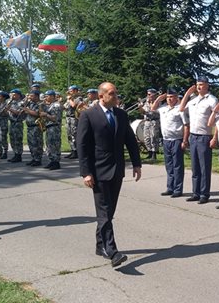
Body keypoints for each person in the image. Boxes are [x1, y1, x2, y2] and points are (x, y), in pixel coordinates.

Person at [77, 82, 142, 268]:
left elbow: (130, 140)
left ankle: (100, 245)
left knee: (109, 211)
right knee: (104, 211)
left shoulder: (121, 114)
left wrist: (136, 164)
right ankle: (112, 251)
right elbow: (82, 146)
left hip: (117, 170)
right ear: (101, 96)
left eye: (116, 93)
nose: (116, 97)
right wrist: (86, 172)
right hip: (98, 171)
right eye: (112, 94)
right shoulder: (88, 115)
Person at [180, 76, 218, 204]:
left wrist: (214, 137)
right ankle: (195, 193)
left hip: (204, 136)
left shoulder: (212, 100)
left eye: (201, 84)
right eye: (197, 84)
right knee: (195, 167)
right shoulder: (193, 100)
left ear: (207, 85)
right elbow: (181, 109)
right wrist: (187, 94)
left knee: (204, 167)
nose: (199, 87)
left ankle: (204, 194)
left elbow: (217, 120)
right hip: (193, 136)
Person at [152, 88, 189, 198]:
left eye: (171, 97)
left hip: (177, 140)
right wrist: (159, 98)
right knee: (169, 165)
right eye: (168, 97)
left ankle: (178, 189)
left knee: (177, 165)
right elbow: (153, 109)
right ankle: (170, 187)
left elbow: (186, 125)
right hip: (166, 140)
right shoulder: (163, 108)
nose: (169, 99)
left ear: (176, 97)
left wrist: (185, 140)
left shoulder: (180, 109)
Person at [41, 90, 62, 170]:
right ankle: (52, 161)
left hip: (54, 127)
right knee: (49, 145)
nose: (45, 97)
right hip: (49, 127)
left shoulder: (56, 105)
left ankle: (56, 162)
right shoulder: (50, 105)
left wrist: (45, 114)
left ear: (52, 96)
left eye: (47, 96)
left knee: (54, 145)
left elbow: (55, 118)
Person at [138, 88, 161, 161]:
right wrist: (140, 107)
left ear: (154, 95)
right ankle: (149, 152)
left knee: (153, 137)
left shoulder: (157, 102)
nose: (147, 96)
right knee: (146, 137)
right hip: (147, 121)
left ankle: (154, 154)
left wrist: (151, 106)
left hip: (154, 121)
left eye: (149, 94)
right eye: (147, 94)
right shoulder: (146, 103)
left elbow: (156, 111)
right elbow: (143, 112)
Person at [23, 90, 44, 166]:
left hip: (36, 127)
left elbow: (37, 114)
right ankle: (34, 158)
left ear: (36, 96)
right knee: (31, 143)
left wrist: (27, 110)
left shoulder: (40, 104)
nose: (29, 97)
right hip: (30, 127)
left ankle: (38, 159)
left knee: (37, 143)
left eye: (31, 96)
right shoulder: (30, 103)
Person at [64, 85, 84, 159]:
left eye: (71, 91)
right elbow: (65, 107)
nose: (69, 92)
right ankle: (72, 150)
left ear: (75, 91)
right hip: (68, 118)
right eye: (69, 91)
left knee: (74, 135)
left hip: (74, 118)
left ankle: (77, 151)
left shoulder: (78, 98)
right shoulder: (70, 99)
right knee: (69, 135)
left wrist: (69, 99)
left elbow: (73, 105)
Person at [6, 89, 26, 162]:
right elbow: (6, 111)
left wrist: (10, 109)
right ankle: (15, 154)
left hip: (18, 122)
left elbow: (18, 113)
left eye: (13, 94)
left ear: (18, 95)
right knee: (12, 139)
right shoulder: (10, 102)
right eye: (11, 94)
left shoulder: (21, 103)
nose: (12, 96)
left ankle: (18, 155)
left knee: (17, 139)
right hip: (11, 122)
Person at [0, 91, 11, 160]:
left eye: (0, 96)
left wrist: (5, 112)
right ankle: (0, 151)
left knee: (2, 138)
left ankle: (5, 152)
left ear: (4, 97)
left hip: (3, 123)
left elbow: (7, 114)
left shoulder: (7, 104)